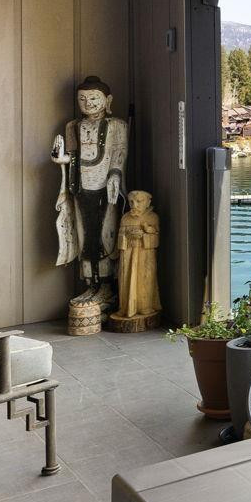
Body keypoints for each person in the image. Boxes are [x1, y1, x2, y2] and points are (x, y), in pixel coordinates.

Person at [49, 75, 129, 305]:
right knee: (83, 236)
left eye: (94, 98)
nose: (88, 103)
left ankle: (106, 287)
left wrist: (115, 173)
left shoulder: (117, 125)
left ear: (107, 100)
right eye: (82, 99)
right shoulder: (73, 126)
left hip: (106, 187)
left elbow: (120, 153)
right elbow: (73, 156)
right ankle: (91, 285)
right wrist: (61, 158)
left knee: (105, 235)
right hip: (79, 186)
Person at [112, 190, 160, 325]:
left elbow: (156, 239)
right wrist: (127, 236)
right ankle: (125, 307)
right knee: (125, 278)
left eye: (139, 201)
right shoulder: (125, 218)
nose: (135, 205)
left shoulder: (152, 217)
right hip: (128, 255)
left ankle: (145, 306)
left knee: (145, 279)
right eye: (131, 202)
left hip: (145, 255)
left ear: (148, 202)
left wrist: (144, 235)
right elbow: (120, 239)